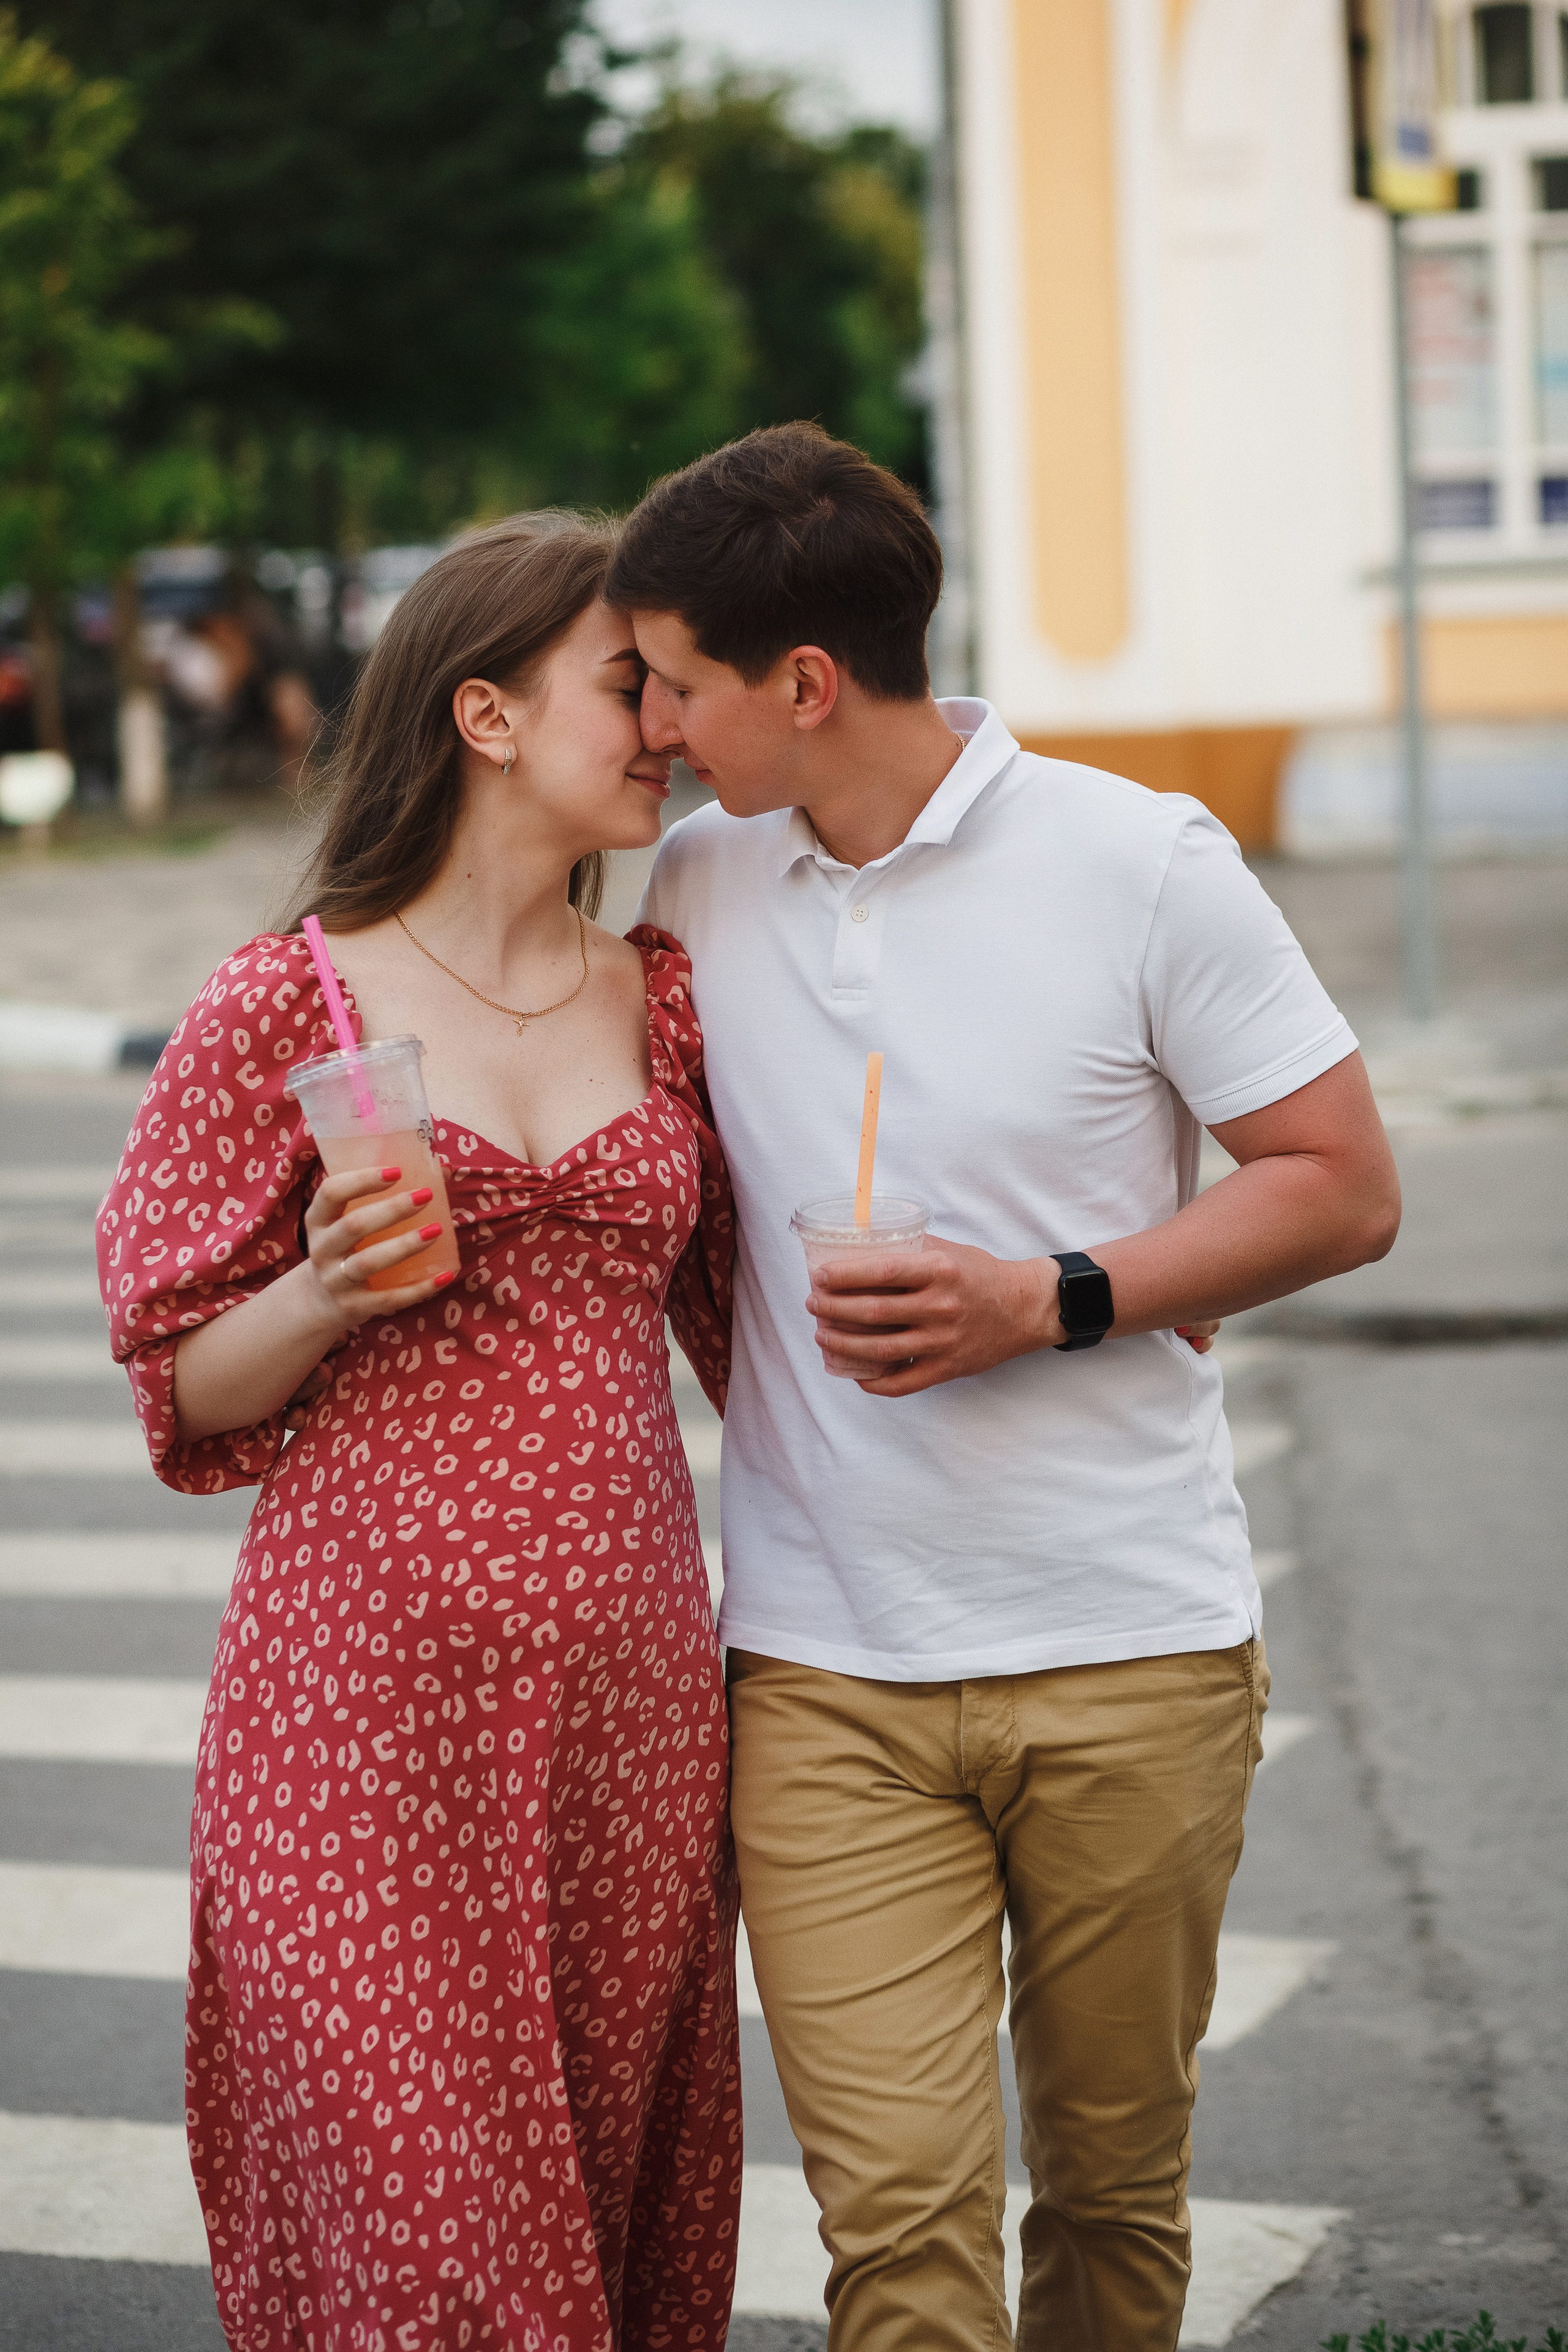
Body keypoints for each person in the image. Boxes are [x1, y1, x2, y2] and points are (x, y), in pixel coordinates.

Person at [605, 424, 1402, 2352]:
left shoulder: (1140, 860)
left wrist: (1054, 1296)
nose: (649, 724)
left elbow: (1344, 1184)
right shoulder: (690, 885)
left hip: (1133, 1647)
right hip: (826, 1674)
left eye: (676, 682)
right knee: (901, 2230)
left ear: (804, 684)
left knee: (1116, 2201)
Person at [97, 514, 741, 2352]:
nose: (666, 725)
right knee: (442, 2255)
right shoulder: (279, 1003)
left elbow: (754, 1340)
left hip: (626, 1718)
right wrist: (317, 1293)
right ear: (482, 712)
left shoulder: (668, 998)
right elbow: (179, 1384)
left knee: (606, 2198)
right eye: (629, 686)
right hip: (361, 1716)